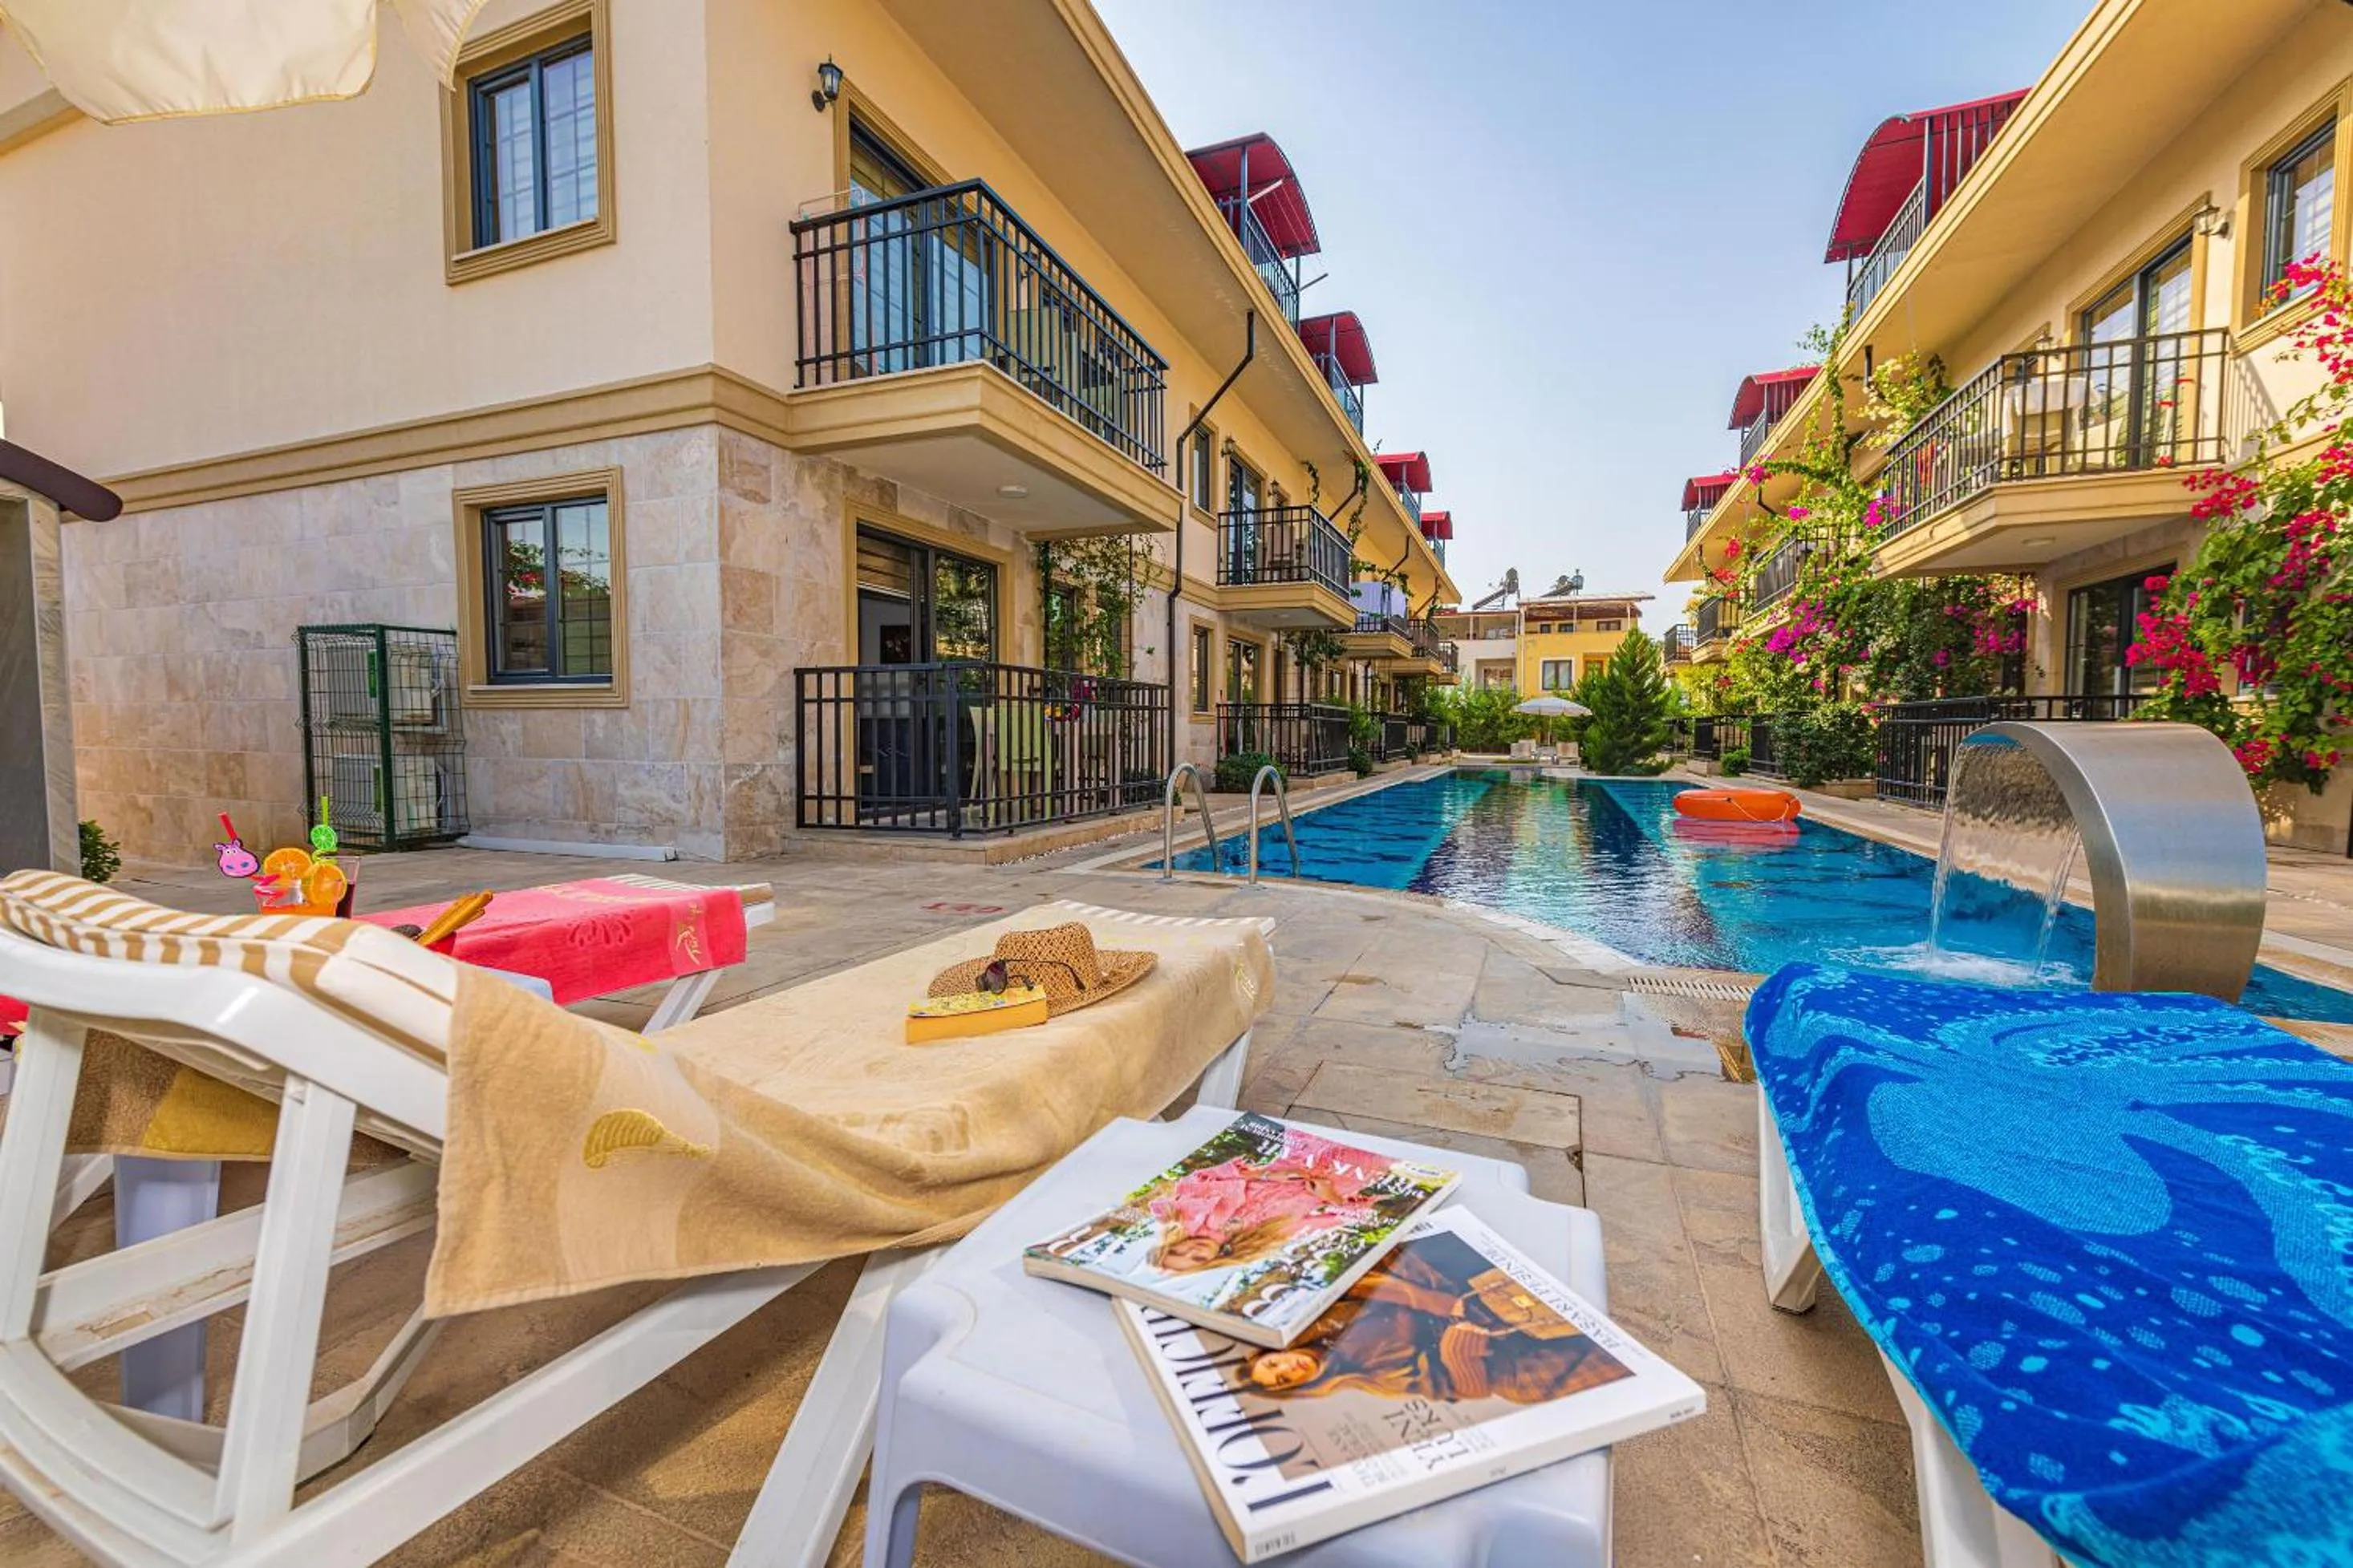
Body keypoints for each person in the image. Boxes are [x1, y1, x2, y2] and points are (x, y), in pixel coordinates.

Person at [1243, 1234, 1628, 1405]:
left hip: (1429, 1274)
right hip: (1482, 1323)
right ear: (1299, 1387)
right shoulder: (1369, 1376)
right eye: (1283, 1381)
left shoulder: (1307, 1322)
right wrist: (1458, 1353)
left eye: (1274, 1364)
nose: (1288, 1369)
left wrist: (1430, 1299)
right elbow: (1466, 1389)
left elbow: (1342, 1279)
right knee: (1534, 1383)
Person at [1148, 1128, 1382, 1274]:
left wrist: (1267, 1174)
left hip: (1302, 1151)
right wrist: (1330, 1195)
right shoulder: (1267, 1238)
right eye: (1197, 1258)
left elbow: (1203, 1177)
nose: (1193, 1250)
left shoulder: (1191, 1213)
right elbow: (1354, 1217)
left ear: (1173, 1243)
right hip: (1351, 1171)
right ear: (1213, 1261)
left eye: (1179, 1251)